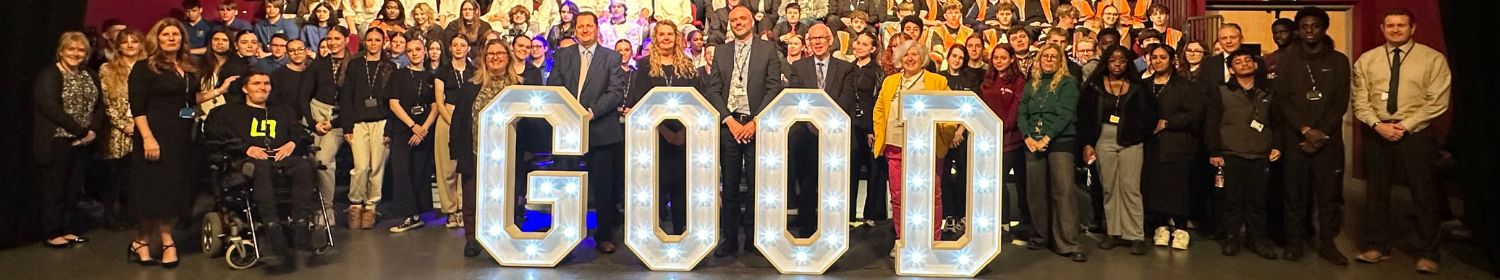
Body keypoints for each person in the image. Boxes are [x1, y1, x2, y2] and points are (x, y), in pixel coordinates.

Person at [1351, 9, 1451, 274]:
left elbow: (1437, 101)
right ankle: (1377, 246)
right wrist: (1377, 125)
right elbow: (1360, 100)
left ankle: (1429, 252)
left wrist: (1404, 126)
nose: (1395, 30)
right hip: (1377, 132)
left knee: (1423, 193)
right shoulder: (1367, 60)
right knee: (1376, 192)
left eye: (1401, 25)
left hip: (1415, 134)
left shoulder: (1432, 59)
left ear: (1412, 28)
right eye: (1390, 25)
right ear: (1382, 29)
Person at [129, 18, 234, 268]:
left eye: (176, 34)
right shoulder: (145, 68)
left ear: (182, 39)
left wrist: (218, 92)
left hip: (180, 138)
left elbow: (187, 103)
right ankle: (168, 243)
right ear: (157, 38)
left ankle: (141, 242)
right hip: (153, 136)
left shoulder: (187, 66)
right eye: (166, 34)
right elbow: (138, 108)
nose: (171, 38)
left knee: (167, 194)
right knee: (154, 193)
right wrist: (147, 138)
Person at [203, 70, 318, 270]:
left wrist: (292, 143)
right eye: (256, 83)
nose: (262, 87)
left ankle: (301, 223)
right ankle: (272, 226)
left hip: (281, 157)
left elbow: (301, 133)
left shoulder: (282, 110)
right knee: (261, 166)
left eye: (266, 83)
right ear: (245, 88)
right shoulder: (227, 113)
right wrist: (246, 148)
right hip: (247, 160)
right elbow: (216, 139)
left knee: (305, 165)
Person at [1270, 6, 1352, 264]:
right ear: (1298, 30)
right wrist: (1305, 130)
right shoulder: (1287, 59)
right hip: (1296, 139)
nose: (1309, 31)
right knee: (1294, 196)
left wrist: (1320, 133)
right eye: (1304, 26)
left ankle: (1327, 243)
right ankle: (1295, 243)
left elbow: (1340, 102)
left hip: (1328, 141)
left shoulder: (1339, 60)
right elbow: (1282, 100)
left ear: (1324, 28)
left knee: (1328, 197)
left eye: (1315, 26)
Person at [547, 10, 628, 254]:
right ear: (575, 29)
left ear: (596, 29)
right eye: (580, 26)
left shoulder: (611, 57)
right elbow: (554, 86)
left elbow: (615, 93)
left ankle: (603, 236)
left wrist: (590, 112)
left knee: (603, 188)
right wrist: (569, 112)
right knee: (564, 183)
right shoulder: (563, 55)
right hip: (568, 129)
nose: (584, 30)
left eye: (588, 26)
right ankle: (564, 234)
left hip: (601, 129)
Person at [707, 6, 782, 257]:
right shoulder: (721, 51)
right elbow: (713, 90)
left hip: (756, 125)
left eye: (742, 19)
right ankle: (729, 239)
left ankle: (752, 239)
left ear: (752, 21)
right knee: (728, 186)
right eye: (734, 20)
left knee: (755, 185)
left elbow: (773, 88)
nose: (738, 23)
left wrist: (756, 122)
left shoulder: (768, 49)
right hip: (729, 126)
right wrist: (729, 120)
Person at [872, 38, 958, 254]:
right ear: (900, 59)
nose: (910, 59)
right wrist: (881, 133)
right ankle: (902, 240)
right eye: (906, 55)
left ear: (923, 58)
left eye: (915, 55)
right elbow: (879, 110)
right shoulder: (890, 81)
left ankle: (933, 241)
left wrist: (944, 140)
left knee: (931, 194)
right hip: (895, 145)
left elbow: (950, 114)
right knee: (899, 197)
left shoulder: (937, 81)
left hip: (927, 148)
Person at [1078, 45, 1158, 256]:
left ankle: (1135, 235)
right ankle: (1113, 232)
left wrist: (1139, 132)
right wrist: (1087, 143)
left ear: (1128, 63)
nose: (1117, 64)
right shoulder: (1094, 86)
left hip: (1131, 141)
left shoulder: (1137, 87)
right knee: (1109, 187)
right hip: (1103, 139)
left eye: (1122, 61)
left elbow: (1150, 113)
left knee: (1130, 187)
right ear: (1106, 61)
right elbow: (1084, 117)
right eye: (1113, 60)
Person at [781, 23, 858, 237]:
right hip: (807, 133)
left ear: (830, 40)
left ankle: (833, 225)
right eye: (813, 39)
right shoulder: (799, 67)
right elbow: (796, 97)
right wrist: (813, 122)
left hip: (836, 133)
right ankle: (807, 222)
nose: (817, 42)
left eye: (821, 38)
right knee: (807, 181)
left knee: (833, 183)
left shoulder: (845, 68)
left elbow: (847, 99)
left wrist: (827, 121)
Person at [627, 20, 703, 235]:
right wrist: (667, 133)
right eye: (662, 34)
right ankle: (654, 233)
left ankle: (681, 231)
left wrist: (682, 133)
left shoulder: (687, 66)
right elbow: (641, 102)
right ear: (655, 38)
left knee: (681, 187)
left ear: (677, 38)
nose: (666, 38)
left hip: (683, 137)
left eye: (670, 34)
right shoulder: (643, 66)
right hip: (654, 137)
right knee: (656, 187)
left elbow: (697, 102)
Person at [1205, 48, 1281, 260]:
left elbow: (1278, 122)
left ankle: (1257, 239)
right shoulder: (1220, 91)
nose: (1244, 64)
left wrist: (1277, 145)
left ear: (1255, 65)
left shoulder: (1267, 92)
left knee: (1258, 201)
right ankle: (1232, 237)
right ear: (1231, 69)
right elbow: (1211, 122)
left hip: (1260, 154)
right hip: (1230, 153)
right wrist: (1214, 150)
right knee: (1232, 201)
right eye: (1238, 62)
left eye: (1248, 61)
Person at [34, 31, 105, 250]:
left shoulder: (89, 74)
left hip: (83, 141)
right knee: (54, 189)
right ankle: (52, 232)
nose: (76, 53)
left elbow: (99, 105)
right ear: (62, 50)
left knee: (73, 189)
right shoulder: (50, 74)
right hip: (58, 140)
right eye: (71, 49)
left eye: (81, 50)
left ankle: (67, 228)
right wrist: (80, 131)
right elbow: (50, 108)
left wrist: (91, 131)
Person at [452, 39, 522, 257]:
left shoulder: (519, 86)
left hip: (508, 153)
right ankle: (473, 239)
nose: (495, 57)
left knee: (506, 197)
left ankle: (504, 237)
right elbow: (459, 120)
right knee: (472, 198)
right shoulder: (471, 85)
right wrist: (456, 150)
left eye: (500, 53)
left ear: (508, 57)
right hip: (475, 152)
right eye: (490, 53)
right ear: (484, 58)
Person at [1018, 43, 1085, 262]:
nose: (1048, 60)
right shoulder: (1032, 84)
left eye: (1053, 57)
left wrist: (1047, 137)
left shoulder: (1068, 84)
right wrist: (1028, 136)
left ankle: (1068, 242)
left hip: (1060, 142)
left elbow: (1066, 114)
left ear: (1060, 61)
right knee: (1036, 192)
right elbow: (1022, 113)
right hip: (1033, 143)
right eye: (1044, 56)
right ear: (1038, 60)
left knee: (1063, 192)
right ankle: (1040, 236)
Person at [1140, 44, 1204, 251]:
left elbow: (1195, 114)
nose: (1158, 61)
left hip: (1178, 143)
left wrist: (1167, 123)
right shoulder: (1144, 85)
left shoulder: (1186, 86)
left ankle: (1181, 228)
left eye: (1163, 57)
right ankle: (1160, 226)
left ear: (1172, 60)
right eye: (1154, 57)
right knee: (1155, 186)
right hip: (1151, 145)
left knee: (1178, 187)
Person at [339, 27, 396, 230]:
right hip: (359, 123)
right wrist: (347, 126)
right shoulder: (355, 65)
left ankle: (371, 206)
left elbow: (393, 101)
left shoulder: (390, 67)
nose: (373, 43)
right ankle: (355, 204)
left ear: (383, 42)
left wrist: (390, 129)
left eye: (377, 40)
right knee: (361, 166)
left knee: (377, 168)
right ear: (365, 42)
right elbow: (346, 96)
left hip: (381, 122)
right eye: (369, 40)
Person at [382, 38, 439, 233]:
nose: (414, 53)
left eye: (417, 49)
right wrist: (413, 125)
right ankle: (407, 214)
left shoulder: (431, 78)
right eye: (410, 50)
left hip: (424, 131)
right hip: (403, 130)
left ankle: (418, 215)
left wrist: (423, 128)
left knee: (419, 172)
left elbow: (435, 106)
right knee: (401, 172)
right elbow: (393, 103)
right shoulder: (398, 75)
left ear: (425, 51)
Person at [978, 44, 1029, 244]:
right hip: (988, 139)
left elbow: (1015, 109)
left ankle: (1006, 224)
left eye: (1003, 57)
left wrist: (1000, 127)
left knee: (1000, 181)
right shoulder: (988, 79)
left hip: (1010, 140)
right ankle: (994, 222)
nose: (999, 61)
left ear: (1011, 59)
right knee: (990, 182)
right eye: (996, 58)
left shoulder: (1019, 81)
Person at [98, 29, 145, 230]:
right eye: (125, 42)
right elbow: (106, 102)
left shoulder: (149, 68)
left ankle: (131, 214)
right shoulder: (107, 69)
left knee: (134, 177)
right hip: (117, 132)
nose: (130, 45)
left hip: (143, 129)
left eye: (134, 41)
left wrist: (139, 124)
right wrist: (123, 124)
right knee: (113, 177)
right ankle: (111, 216)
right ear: (118, 46)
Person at [307, 26, 353, 224]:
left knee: (324, 161)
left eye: (337, 38)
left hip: (339, 119)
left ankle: (326, 209)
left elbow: (353, 102)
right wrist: (313, 122)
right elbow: (304, 96)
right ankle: (307, 207)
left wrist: (332, 123)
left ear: (346, 40)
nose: (333, 42)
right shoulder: (318, 65)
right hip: (315, 115)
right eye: (329, 38)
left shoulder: (354, 64)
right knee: (306, 160)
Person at [435, 35, 476, 229]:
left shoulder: (474, 70)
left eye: (463, 45)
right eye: (455, 45)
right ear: (450, 48)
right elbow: (439, 101)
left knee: (465, 165)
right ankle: (450, 210)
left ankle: (462, 209)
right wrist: (453, 122)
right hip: (448, 116)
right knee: (447, 167)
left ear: (468, 48)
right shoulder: (442, 71)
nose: (459, 48)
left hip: (469, 118)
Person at [848, 31, 886, 227]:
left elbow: (878, 101)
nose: (859, 46)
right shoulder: (848, 69)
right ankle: (849, 216)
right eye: (858, 43)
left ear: (872, 49)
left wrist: (873, 129)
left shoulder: (877, 72)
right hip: (851, 126)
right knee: (851, 170)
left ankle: (871, 215)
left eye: (864, 44)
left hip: (870, 128)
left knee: (874, 170)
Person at [927, 1, 974, 66]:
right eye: (950, 13)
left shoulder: (969, 32)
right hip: (945, 62)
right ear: (945, 16)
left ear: (960, 15)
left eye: (956, 12)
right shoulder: (938, 31)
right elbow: (938, 51)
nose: (954, 15)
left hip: (966, 62)